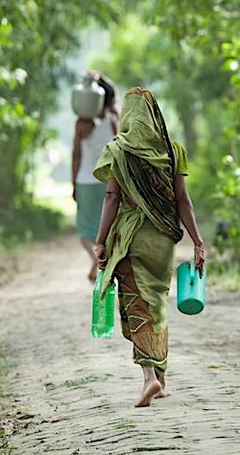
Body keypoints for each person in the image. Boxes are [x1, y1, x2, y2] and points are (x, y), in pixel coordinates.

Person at [92, 86, 206, 407]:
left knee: (136, 304)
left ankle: (149, 379)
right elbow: (183, 201)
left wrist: (100, 242)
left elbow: (112, 197)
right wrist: (197, 241)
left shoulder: (119, 150)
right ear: (155, 116)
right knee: (156, 303)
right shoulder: (173, 151)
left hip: (131, 238)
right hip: (163, 239)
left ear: (127, 117)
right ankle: (163, 378)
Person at [72, 72, 119, 282]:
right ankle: (103, 260)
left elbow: (76, 154)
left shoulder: (81, 124)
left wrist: (73, 182)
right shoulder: (113, 119)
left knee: (84, 230)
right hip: (107, 179)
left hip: (85, 179)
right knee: (106, 226)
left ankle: (94, 259)